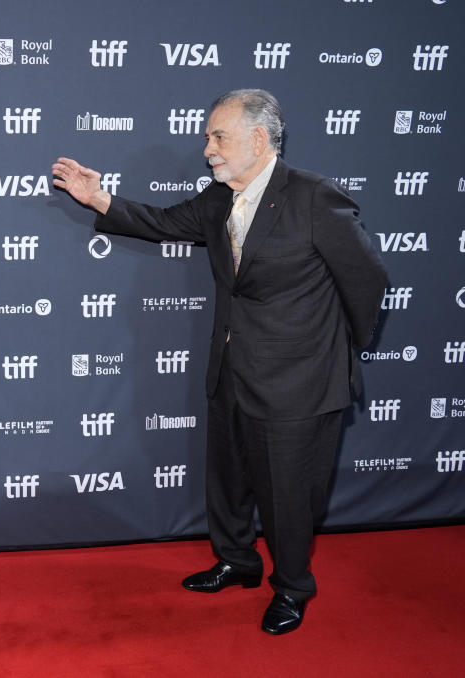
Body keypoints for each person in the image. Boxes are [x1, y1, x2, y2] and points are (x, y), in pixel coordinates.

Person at [52, 89, 387, 634]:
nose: (206, 146)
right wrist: (99, 199)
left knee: (287, 495)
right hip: (231, 368)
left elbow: (367, 279)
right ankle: (237, 560)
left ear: (258, 139)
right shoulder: (219, 198)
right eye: (208, 136)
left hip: (299, 384)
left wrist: (331, 352)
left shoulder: (313, 199)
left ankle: (293, 586)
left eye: (217, 136)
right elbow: (162, 222)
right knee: (227, 478)